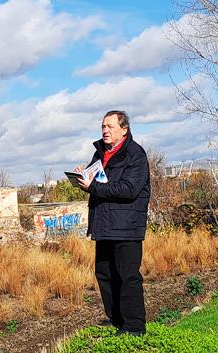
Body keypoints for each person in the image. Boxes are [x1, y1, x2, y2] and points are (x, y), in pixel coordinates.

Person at [77, 110, 150, 336]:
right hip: (105, 223)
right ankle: (117, 319)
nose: (105, 130)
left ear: (124, 129)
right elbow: (95, 181)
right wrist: (83, 177)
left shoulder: (135, 154)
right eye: (103, 127)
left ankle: (134, 326)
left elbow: (129, 190)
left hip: (127, 225)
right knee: (104, 273)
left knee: (128, 276)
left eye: (110, 126)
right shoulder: (100, 152)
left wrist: (94, 187)